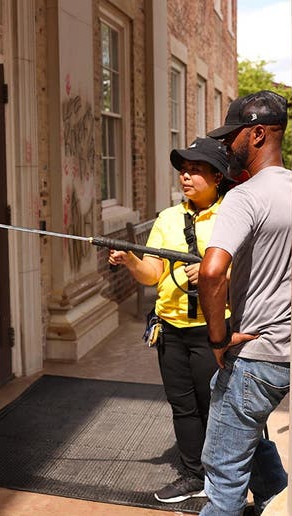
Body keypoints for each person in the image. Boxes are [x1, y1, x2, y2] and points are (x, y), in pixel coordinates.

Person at [108, 137, 232, 504]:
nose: (186, 176)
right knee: (183, 406)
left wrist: (213, 274)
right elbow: (153, 274)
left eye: (196, 170)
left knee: (215, 406)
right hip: (171, 329)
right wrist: (132, 260)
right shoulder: (167, 219)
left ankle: (222, 480)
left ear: (217, 176)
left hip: (212, 330)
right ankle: (193, 475)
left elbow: (245, 269)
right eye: (183, 169)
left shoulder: (233, 215)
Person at [197, 90, 292, 516]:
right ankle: (277, 498)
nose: (225, 145)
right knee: (251, 438)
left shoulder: (245, 196)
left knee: (222, 472)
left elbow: (212, 271)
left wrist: (218, 338)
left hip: (255, 356)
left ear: (256, 134)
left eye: (232, 136)